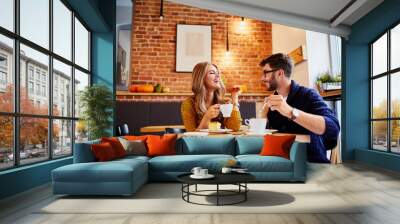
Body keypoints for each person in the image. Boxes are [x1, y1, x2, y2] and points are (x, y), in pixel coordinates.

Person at [259, 53, 340, 163]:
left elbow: (333, 129)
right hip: (279, 164)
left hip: (310, 164)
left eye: (265, 73)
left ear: (280, 73)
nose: (262, 78)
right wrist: (263, 117)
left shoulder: (308, 95)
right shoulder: (270, 102)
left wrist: (291, 112)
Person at [181, 62, 242, 132]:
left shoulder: (224, 103)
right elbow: (191, 136)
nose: (218, 76)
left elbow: (235, 128)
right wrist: (207, 117)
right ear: (201, 78)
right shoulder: (189, 104)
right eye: (212, 73)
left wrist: (235, 98)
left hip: (222, 142)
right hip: (201, 143)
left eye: (218, 73)